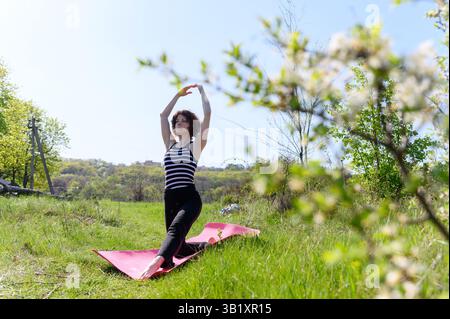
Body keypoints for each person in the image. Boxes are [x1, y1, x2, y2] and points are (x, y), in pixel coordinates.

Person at [140, 83, 212, 280]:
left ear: (190, 125)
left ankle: (157, 261)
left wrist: (202, 91)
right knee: (179, 248)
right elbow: (163, 116)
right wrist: (177, 96)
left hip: (189, 197)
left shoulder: (196, 145)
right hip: (170, 196)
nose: (180, 124)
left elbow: (207, 115)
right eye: (177, 122)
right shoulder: (169, 143)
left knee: (175, 230)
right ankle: (207, 246)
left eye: (184, 121)